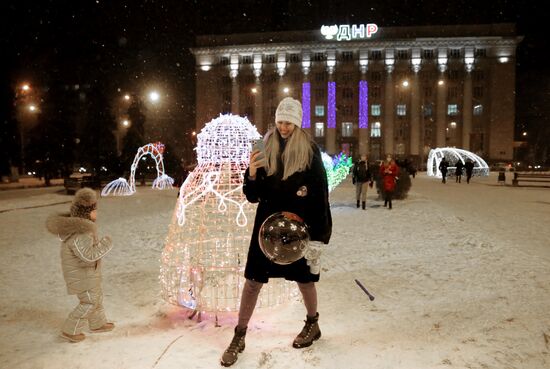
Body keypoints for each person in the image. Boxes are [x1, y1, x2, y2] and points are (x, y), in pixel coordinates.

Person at [220, 97, 332, 367]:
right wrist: (253, 173)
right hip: (266, 230)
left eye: (289, 123)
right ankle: (240, 334)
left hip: (297, 229)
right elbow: (252, 196)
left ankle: (313, 324)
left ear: (297, 123)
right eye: (281, 121)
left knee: (305, 280)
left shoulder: (309, 151)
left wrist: (319, 237)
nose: (284, 127)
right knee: (253, 281)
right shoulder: (261, 146)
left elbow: (320, 196)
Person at [46, 188, 114, 343]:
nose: (97, 213)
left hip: (88, 275)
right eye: (95, 210)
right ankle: (70, 331)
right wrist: (105, 245)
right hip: (82, 276)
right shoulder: (80, 233)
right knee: (89, 302)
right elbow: (87, 257)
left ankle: (97, 324)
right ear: (86, 213)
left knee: (97, 298)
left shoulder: (82, 230)